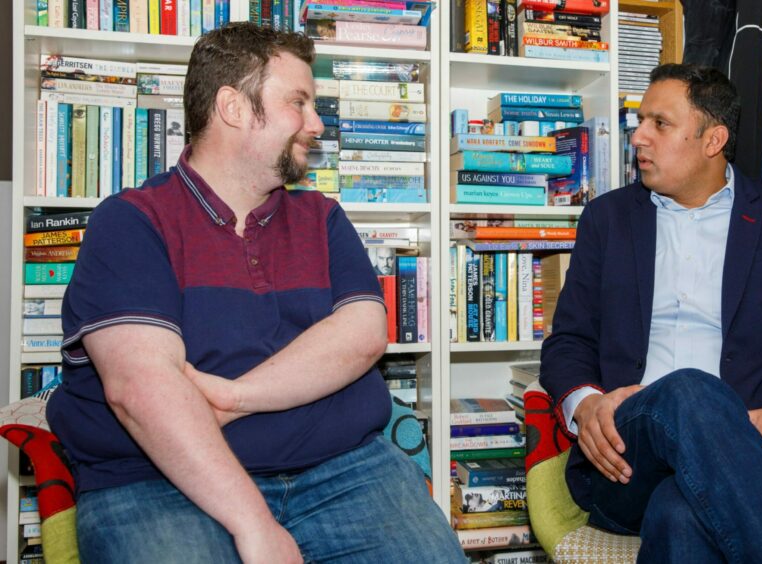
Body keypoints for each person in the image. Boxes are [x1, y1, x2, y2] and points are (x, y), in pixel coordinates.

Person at [46, 22, 463, 564]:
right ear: (233, 107)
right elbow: (141, 390)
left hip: (344, 469)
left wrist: (227, 398)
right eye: (299, 101)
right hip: (155, 480)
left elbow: (362, 335)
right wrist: (254, 525)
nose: (316, 123)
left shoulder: (322, 217)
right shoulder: (130, 221)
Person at [539, 63, 762, 563]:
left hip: (755, 451)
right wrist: (585, 405)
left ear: (713, 140)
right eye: (640, 120)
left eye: (660, 124)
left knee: (678, 513)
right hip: (630, 455)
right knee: (690, 390)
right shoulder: (608, 219)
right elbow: (568, 343)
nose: (639, 136)